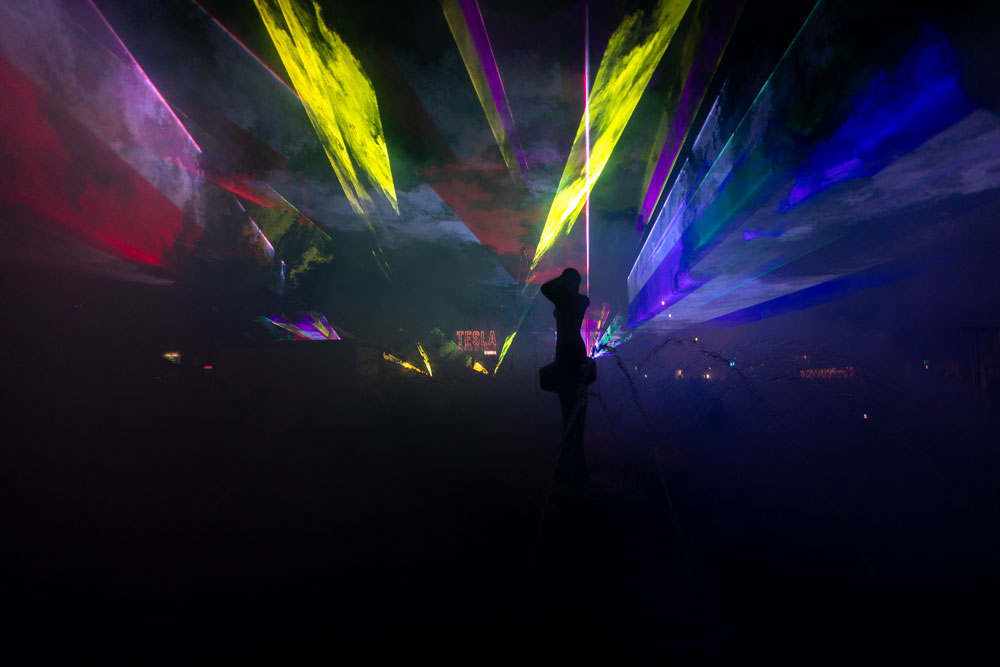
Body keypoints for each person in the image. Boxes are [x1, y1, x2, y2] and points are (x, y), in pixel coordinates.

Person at [539, 268, 596, 488]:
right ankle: (579, 471)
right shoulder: (581, 300)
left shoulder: (562, 299)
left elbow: (545, 288)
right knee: (578, 417)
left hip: (566, 354)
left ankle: (567, 473)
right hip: (577, 353)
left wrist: (561, 280)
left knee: (569, 417)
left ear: (566, 282)